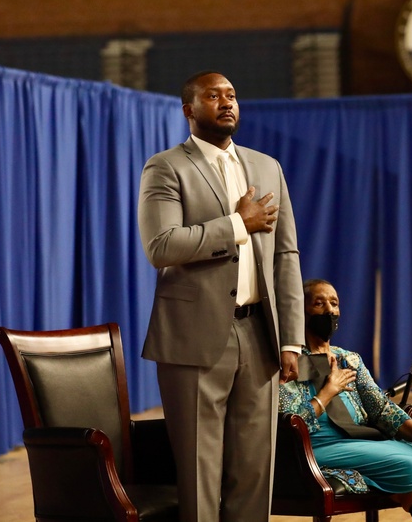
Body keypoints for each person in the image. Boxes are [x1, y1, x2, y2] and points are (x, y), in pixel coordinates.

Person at [137, 70, 305, 522]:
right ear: (190, 110)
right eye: (213, 96)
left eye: (232, 95)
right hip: (193, 339)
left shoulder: (268, 166)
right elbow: (161, 246)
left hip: (259, 336)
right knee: (199, 471)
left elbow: (285, 256)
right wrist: (236, 225)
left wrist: (292, 340)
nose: (227, 103)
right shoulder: (166, 166)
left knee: (254, 472)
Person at [278, 278, 412, 522]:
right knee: (409, 466)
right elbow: (289, 422)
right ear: (301, 311)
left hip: (360, 441)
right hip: (316, 448)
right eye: (319, 304)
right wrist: (328, 392)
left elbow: (382, 409)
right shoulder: (288, 362)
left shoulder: (349, 359)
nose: (329, 310)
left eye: (334, 303)